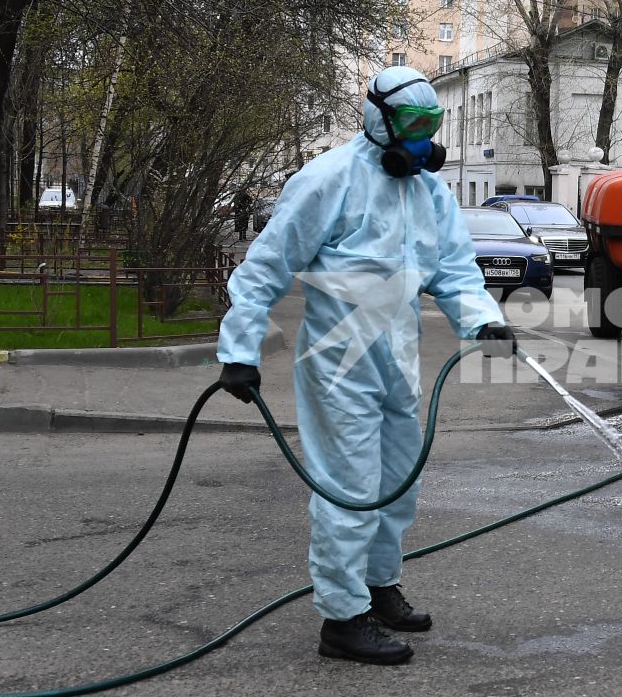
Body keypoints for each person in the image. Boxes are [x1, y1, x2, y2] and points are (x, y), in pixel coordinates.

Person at [215, 65, 516, 666]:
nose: (421, 140)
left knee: (397, 481)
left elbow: (454, 271)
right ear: (379, 120)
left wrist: (482, 320)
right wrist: (239, 351)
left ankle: (380, 587)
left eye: (430, 126)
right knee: (349, 488)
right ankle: (342, 617)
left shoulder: (429, 193)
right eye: (411, 125)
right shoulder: (328, 180)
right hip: (338, 361)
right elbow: (266, 267)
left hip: (398, 355)